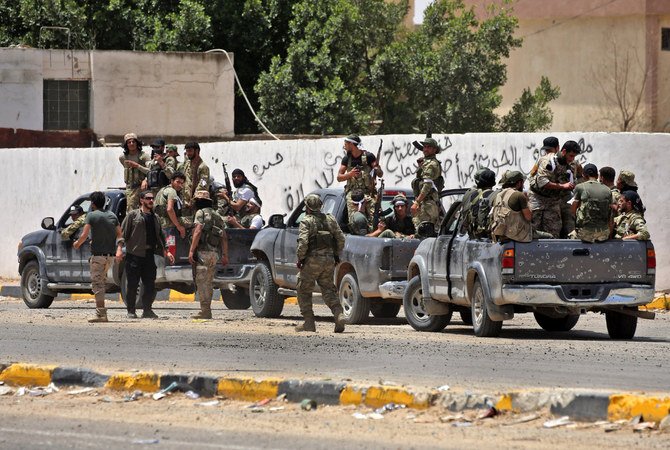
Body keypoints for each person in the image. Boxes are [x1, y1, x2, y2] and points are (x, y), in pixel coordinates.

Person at [119, 190, 174, 319]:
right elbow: (122, 234)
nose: (151, 201)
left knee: (150, 284)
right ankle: (131, 311)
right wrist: (119, 249)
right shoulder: (132, 215)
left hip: (149, 255)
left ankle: (147, 310)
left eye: (152, 198)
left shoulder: (155, 218)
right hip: (134, 255)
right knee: (132, 284)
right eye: (148, 198)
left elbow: (161, 236)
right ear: (141, 200)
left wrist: (167, 251)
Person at [295, 194, 346, 333]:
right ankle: (339, 314)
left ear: (308, 207)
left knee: (303, 289)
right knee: (329, 289)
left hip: (312, 261)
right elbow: (341, 239)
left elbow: (303, 242)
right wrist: (335, 254)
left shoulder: (306, 221)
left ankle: (309, 323)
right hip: (329, 260)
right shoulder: (330, 219)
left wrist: (301, 258)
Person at [73, 191, 123, 323]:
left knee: (97, 284)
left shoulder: (91, 216)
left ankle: (100, 314)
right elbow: (120, 235)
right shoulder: (112, 216)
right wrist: (119, 249)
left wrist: (77, 244)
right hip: (110, 257)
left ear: (93, 204)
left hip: (98, 257)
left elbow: (84, 235)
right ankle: (101, 313)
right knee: (101, 282)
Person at [188, 190, 229, 319]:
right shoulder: (217, 215)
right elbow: (224, 236)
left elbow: (198, 230)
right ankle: (207, 309)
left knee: (201, 282)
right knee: (209, 282)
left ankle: (205, 310)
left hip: (202, 253)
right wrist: (225, 255)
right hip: (214, 254)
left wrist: (191, 250)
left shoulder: (200, 213)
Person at [528, 140, 580, 238]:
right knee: (534, 229)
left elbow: (576, 179)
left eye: (574, 156)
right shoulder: (547, 161)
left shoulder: (572, 165)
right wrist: (562, 186)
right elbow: (542, 182)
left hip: (553, 200)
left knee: (554, 230)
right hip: (537, 198)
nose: (572, 159)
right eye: (571, 156)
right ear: (564, 151)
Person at [337, 135, 382, 226]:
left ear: (352, 144)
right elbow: (339, 177)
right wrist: (350, 174)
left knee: (377, 217)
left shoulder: (369, 156)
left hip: (367, 192)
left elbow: (380, 174)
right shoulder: (347, 159)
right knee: (355, 219)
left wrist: (377, 169)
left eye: (346, 144)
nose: (344, 146)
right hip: (352, 193)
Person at [570, 163, 613, 242]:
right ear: (597, 176)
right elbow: (610, 216)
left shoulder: (579, 187)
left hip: (585, 234)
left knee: (570, 236)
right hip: (603, 234)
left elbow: (573, 210)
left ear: (583, 175)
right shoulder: (608, 190)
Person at [410, 137, 443, 234]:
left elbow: (427, 185)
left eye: (428, 147)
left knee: (425, 231)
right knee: (420, 230)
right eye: (424, 147)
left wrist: (417, 202)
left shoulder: (431, 164)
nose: (425, 149)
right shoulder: (426, 162)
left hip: (427, 203)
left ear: (434, 150)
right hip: (424, 202)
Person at [490, 171, 533, 243]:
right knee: (549, 237)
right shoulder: (519, 195)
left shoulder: (499, 195)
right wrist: (527, 201)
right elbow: (529, 217)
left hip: (501, 232)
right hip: (517, 235)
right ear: (519, 183)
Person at [179, 141, 210, 225]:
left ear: (197, 151)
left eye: (190, 151)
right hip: (185, 202)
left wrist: (193, 200)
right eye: (187, 151)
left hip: (196, 202)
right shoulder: (187, 164)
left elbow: (203, 184)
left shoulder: (202, 166)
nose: (188, 153)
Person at [119, 133, 150, 213]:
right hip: (130, 189)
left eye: (133, 142)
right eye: (129, 142)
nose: (131, 144)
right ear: (126, 145)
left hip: (143, 188)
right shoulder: (123, 158)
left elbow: (150, 171)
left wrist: (137, 166)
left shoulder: (144, 156)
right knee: (131, 211)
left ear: (137, 143)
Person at [460, 168, 496, 237]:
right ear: (493, 183)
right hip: (488, 236)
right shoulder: (495, 195)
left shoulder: (473, 194)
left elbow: (466, 215)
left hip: (473, 235)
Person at [154, 171, 187, 239]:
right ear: (172, 181)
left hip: (159, 224)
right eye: (177, 182)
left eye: (181, 183)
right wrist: (179, 226)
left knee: (165, 248)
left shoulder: (162, 190)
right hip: (168, 226)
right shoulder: (172, 191)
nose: (179, 185)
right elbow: (169, 209)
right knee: (171, 248)